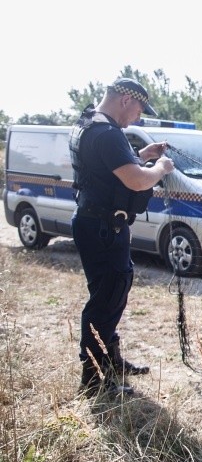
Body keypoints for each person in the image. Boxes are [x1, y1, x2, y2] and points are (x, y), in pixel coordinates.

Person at [69, 77, 175, 397]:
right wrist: (160, 167)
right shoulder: (108, 133)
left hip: (94, 223)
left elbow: (109, 168)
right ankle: (93, 380)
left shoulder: (89, 124)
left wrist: (142, 154)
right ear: (125, 101)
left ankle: (111, 363)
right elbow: (136, 181)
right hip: (103, 227)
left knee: (109, 294)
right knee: (107, 299)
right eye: (139, 109)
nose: (138, 117)